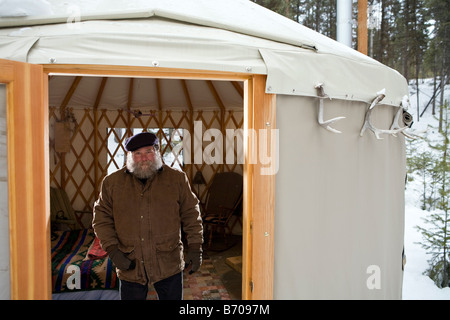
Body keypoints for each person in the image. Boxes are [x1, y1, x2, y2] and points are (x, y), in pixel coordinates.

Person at [92, 131, 203, 300]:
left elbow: (191, 213)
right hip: (130, 263)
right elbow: (101, 219)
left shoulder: (176, 179)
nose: (144, 158)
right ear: (129, 156)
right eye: (138, 153)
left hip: (168, 262)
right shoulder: (112, 183)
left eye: (148, 152)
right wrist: (113, 251)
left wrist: (195, 247)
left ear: (157, 152)